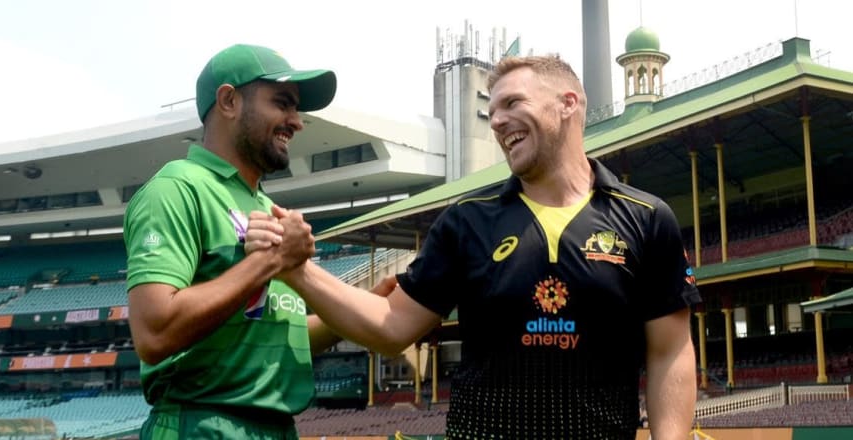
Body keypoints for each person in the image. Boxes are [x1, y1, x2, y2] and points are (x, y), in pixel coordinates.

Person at [247, 55, 702, 439]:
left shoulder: (645, 218)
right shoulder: (467, 220)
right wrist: (299, 271)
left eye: (512, 103)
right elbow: (391, 327)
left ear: (568, 104)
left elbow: (670, 351)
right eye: (492, 111)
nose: (498, 120)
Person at [124, 44, 395, 440]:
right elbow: (153, 334)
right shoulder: (177, 188)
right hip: (201, 426)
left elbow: (275, 334)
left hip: (277, 428)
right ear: (229, 101)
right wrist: (268, 262)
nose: (296, 121)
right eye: (282, 103)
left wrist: (352, 314)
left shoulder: (267, 207)